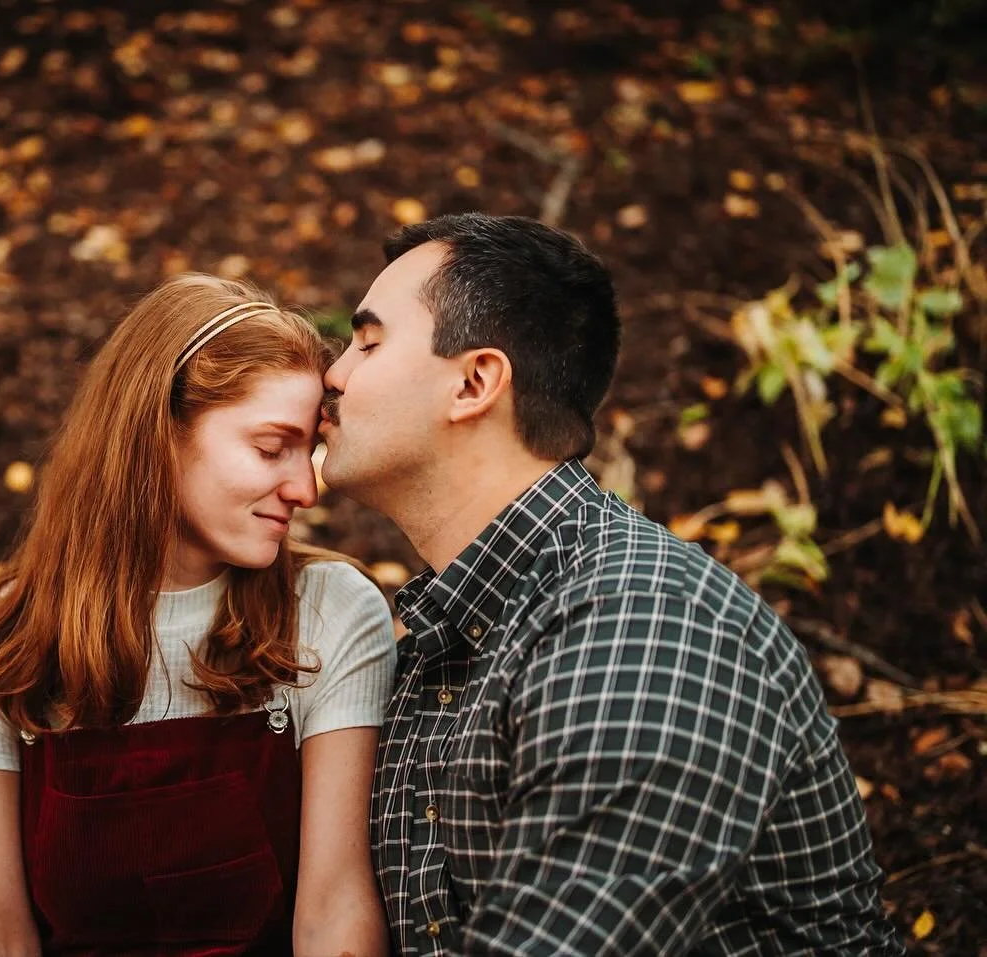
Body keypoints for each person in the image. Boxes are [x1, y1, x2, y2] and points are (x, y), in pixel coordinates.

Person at [318, 213, 904, 955]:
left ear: (474, 382)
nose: (333, 373)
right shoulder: (443, 641)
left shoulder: (646, 628)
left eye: (368, 342)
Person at [0, 273, 395, 956]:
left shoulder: (329, 613)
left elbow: (333, 914)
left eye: (309, 450)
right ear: (158, 435)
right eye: (272, 449)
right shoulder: (1, 642)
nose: (305, 487)